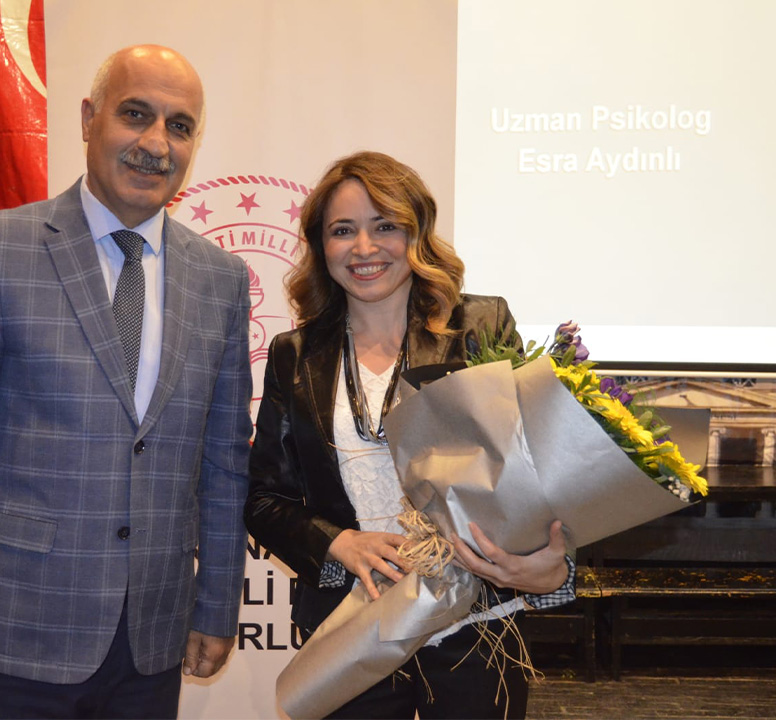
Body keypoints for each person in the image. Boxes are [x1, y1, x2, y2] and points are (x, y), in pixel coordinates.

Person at [0, 45, 253, 719]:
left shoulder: (221, 279)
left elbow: (225, 462)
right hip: (12, 631)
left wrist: (216, 605)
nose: (156, 143)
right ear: (89, 119)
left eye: (178, 126)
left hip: (150, 641)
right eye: (135, 114)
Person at [244, 151, 574, 719]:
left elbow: (538, 468)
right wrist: (338, 543)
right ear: (321, 245)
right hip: (353, 625)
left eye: (385, 226)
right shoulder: (294, 354)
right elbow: (264, 499)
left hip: (476, 622)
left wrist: (556, 567)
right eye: (342, 230)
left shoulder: (480, 328)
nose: (364, 248)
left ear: (416, 233)